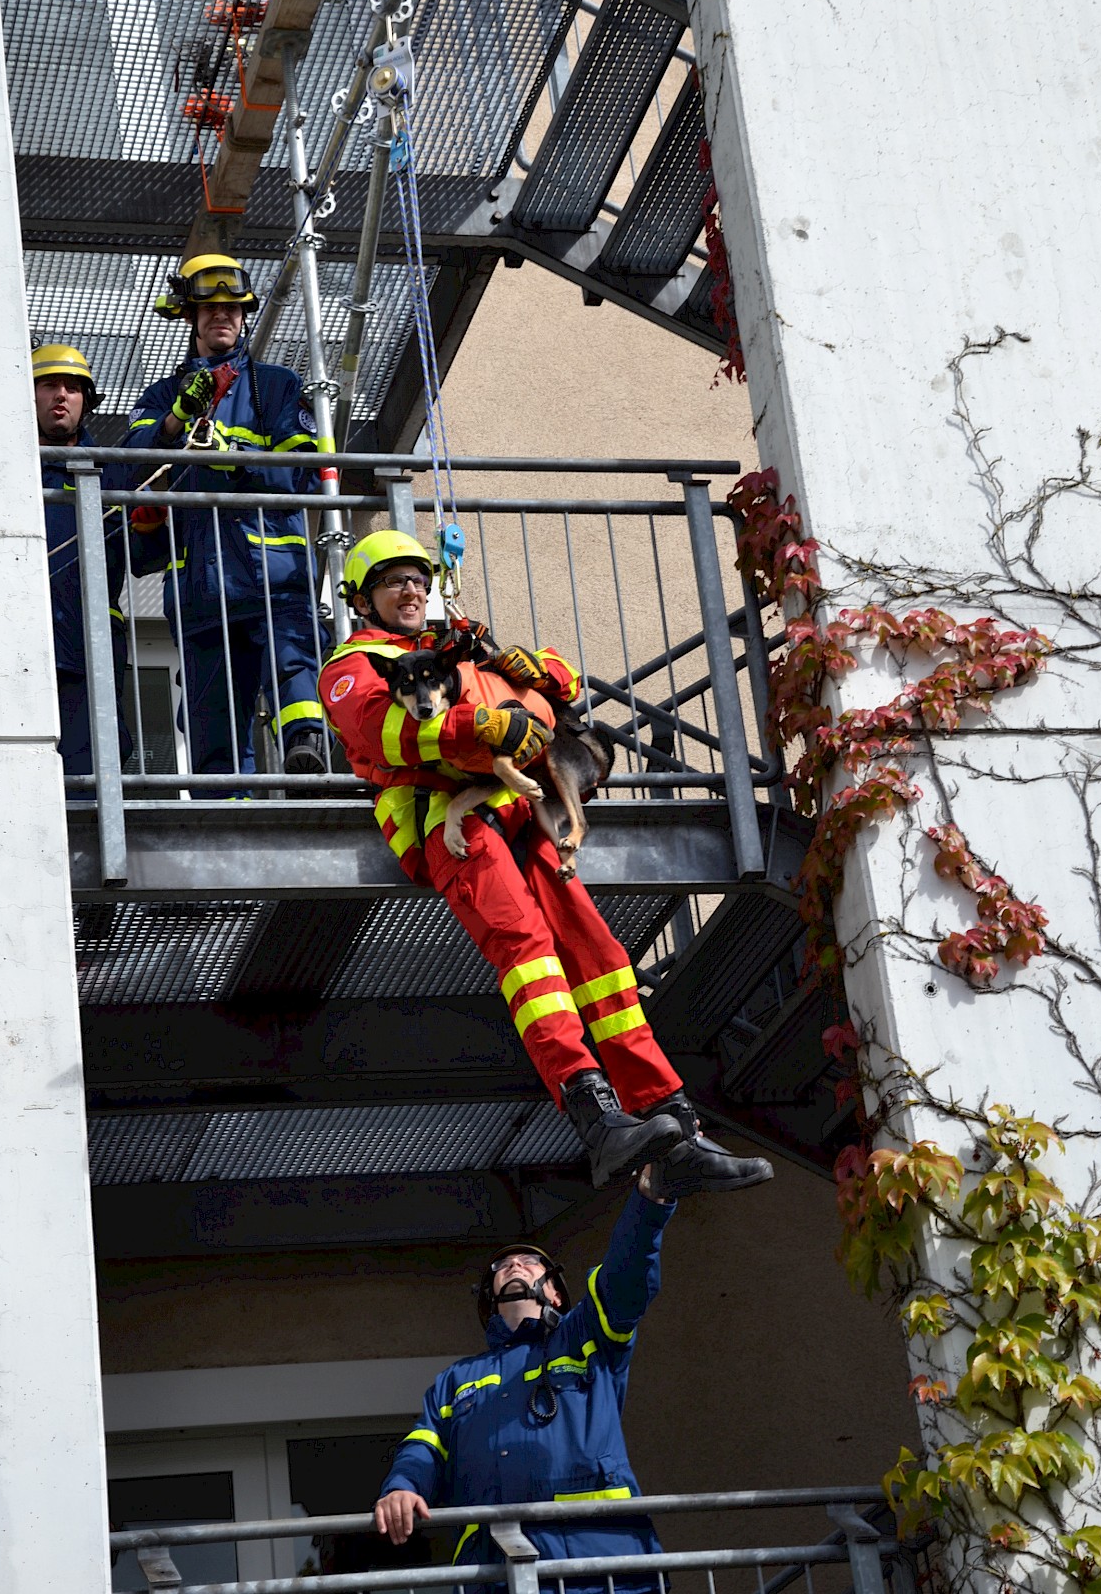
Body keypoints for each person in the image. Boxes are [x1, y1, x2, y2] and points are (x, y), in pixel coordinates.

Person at [319, 529, 774, 1198]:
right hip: (450, 822)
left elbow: (550, 689)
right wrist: (482, 728)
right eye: (392, 582)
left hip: (514, 807)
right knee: (527, 952)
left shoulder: (457, 650)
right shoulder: (355, 664)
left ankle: (675, 1121)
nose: (410, 589)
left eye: (418, 578)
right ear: (363, 600)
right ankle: (598, 1122)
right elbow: (386, 731)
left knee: (599, 954)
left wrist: (534, 673)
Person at [374, 1173, 675, 1585]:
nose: (514, 1264)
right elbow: (423, 1447)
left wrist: (650, 1199)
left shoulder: (587, 1335)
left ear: (555, 1292)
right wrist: (402, 1486)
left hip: (602, 1562)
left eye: (531, 1262)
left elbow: (627, 1275)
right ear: (490, 1299)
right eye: (502, 1265)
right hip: (495, 1573)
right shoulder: (455, 1380)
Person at [124, 254, 328, 792]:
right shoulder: (161, 397)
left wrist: (232, 455)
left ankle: (308, 755)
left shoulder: (278, 387)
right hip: (199, 590)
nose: (223, 317)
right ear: (190, 315)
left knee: (294, 672)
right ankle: (229, 804)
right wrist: (175, 422)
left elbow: (306, 480)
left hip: (272, 574)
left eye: (232, 309)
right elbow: (124, 466)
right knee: (210, 717)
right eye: (210, 308)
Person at [34, 342, 132, 780]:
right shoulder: (1, 469)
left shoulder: (108, 472)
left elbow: (144, 557)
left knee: (91, 765)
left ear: (85, 402)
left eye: (72, 388)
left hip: (89, 643)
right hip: (17, 641)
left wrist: (148, 525)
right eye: (50, 385)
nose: (61, 396)